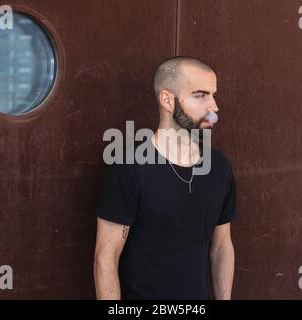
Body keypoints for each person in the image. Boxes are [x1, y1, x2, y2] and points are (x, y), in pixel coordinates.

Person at [94, 56, 237, 300]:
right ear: (167, 100)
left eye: (213, 95)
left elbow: (222, 246)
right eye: (200, 95)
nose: (213, 107)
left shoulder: (219, 167)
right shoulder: (130, 166)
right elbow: (105, 258)